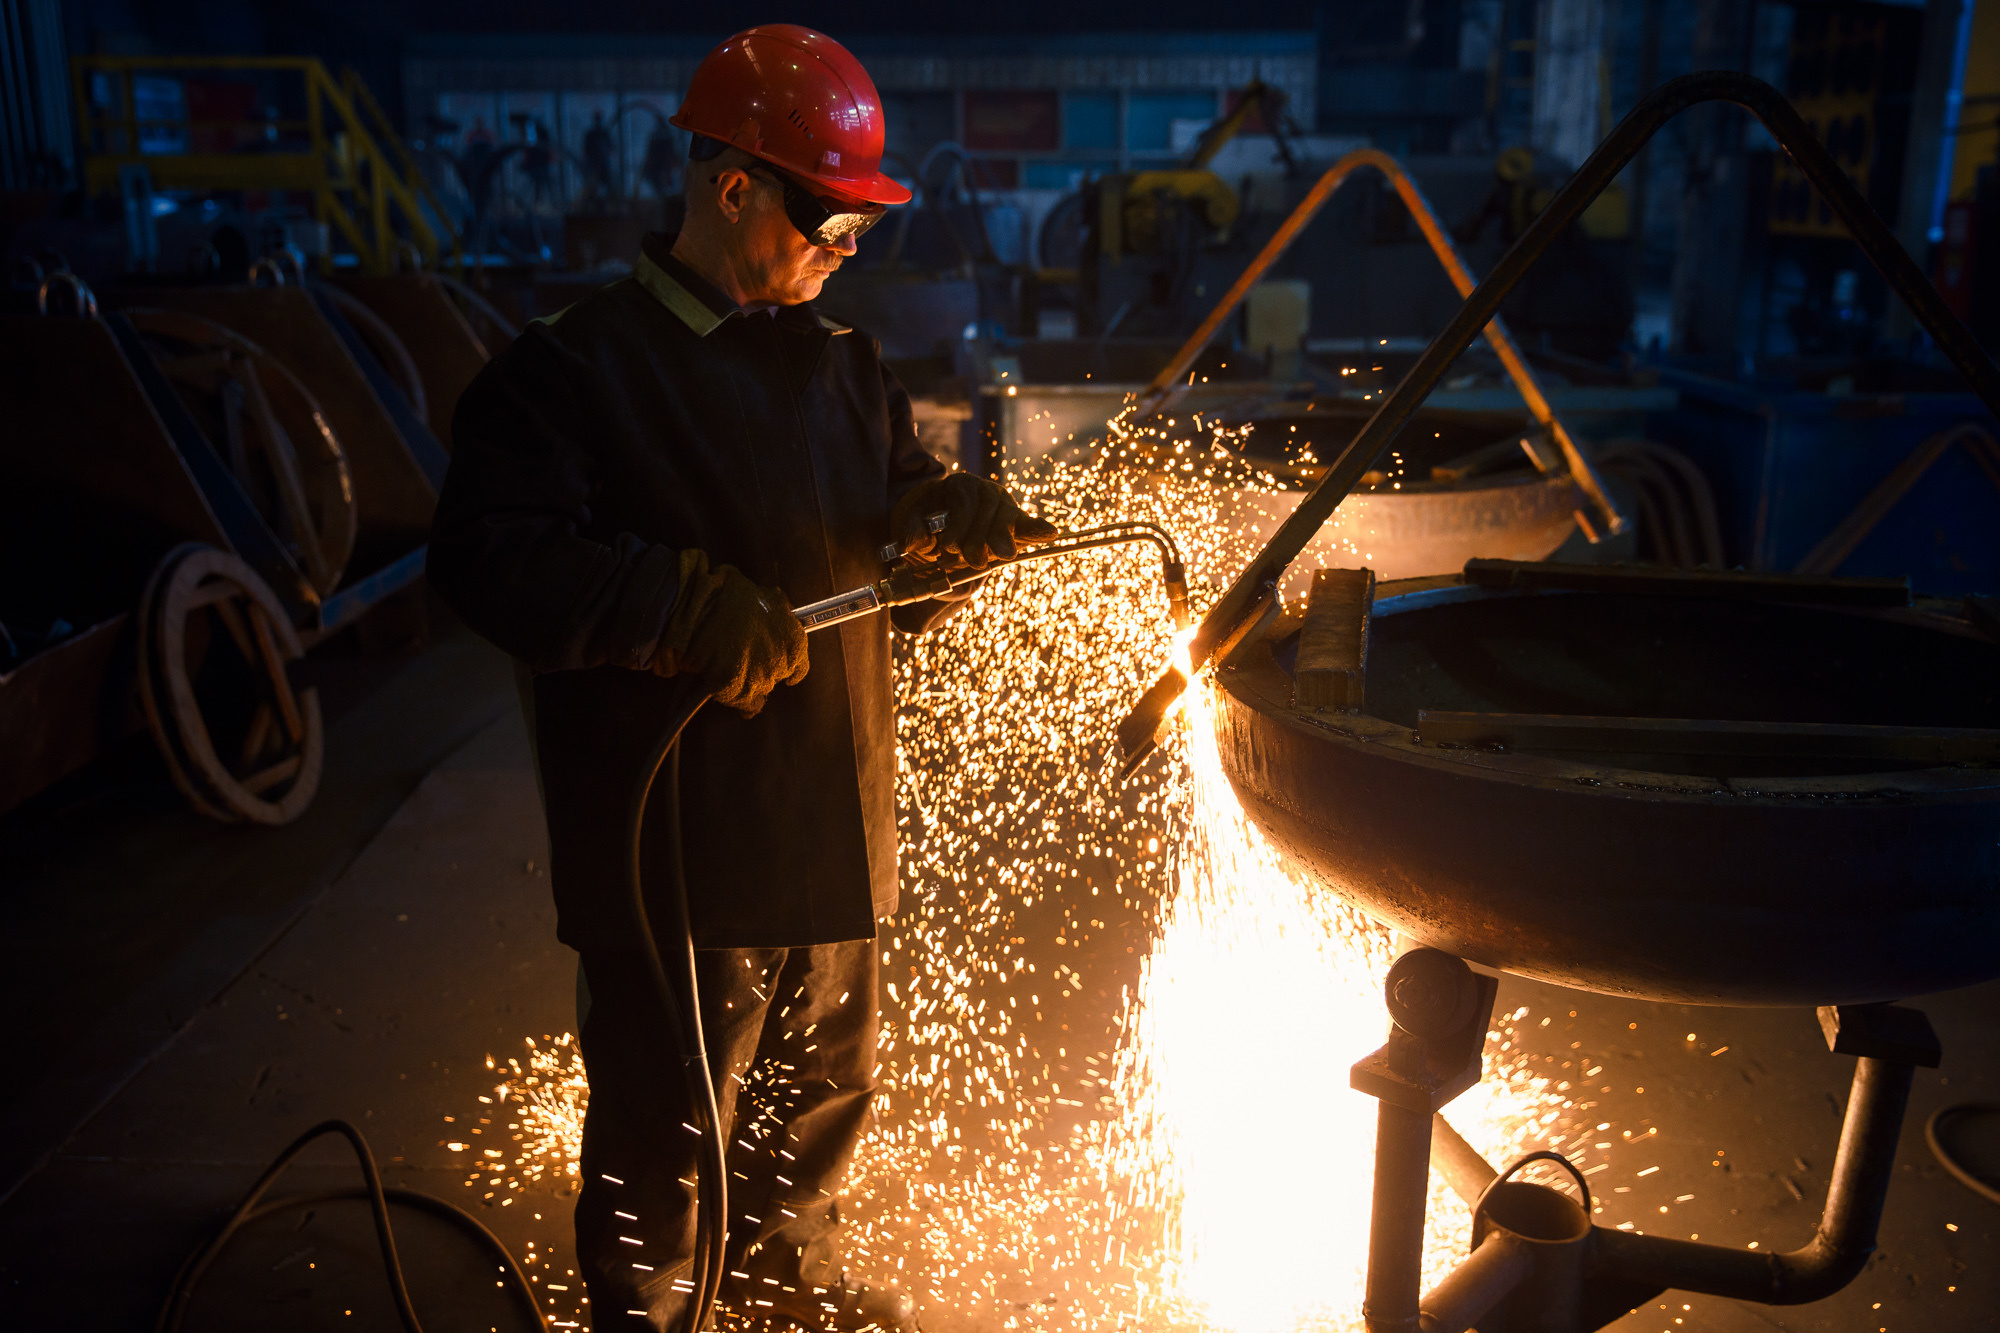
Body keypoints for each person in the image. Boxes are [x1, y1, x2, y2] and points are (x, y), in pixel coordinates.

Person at [427, 24, 1053, 1333]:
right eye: (829, 225)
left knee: (816, 1106)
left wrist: (944, 530)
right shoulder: (574, 370)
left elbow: (883, 538)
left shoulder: (844, 366)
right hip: (682, 853)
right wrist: (678, 600)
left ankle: (775, 1292)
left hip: (833, 831)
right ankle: (646, 1311)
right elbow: (489, 562)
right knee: (668, 1121)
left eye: (861, 233)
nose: (848, 253)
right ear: (731, 189)